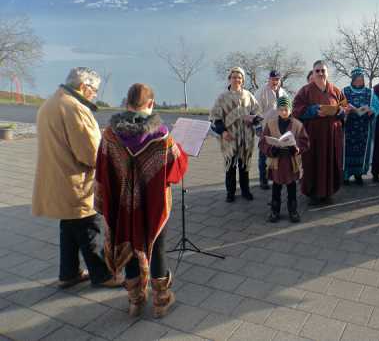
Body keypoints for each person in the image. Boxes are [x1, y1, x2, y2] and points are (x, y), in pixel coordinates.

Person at [94, 83, 188, 318]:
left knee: (128, 245)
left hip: (122, 206)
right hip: (153, 205)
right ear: (151, 104)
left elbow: (101, 170)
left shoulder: (110, 135)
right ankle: (161, 301)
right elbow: (176, 169)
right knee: (157, 248)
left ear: (127, 103)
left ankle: (135, 301)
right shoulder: (161, 135)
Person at [32, 67, 120, 289]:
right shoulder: (74, 108)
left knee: (69, 226)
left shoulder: (50, 103)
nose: (95, 95)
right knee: (90, 226)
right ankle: (103, 275)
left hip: (56, 178)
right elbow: (90, 154)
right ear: (83, 86)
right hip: (76, 182)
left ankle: (69, 273)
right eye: (94, 90)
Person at [292, 60, 345, 205]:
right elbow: (296, 110)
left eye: (323, 70)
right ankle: (313, 193)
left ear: (327, 73)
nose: (320, 73)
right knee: (312, 162)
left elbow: (345, 107)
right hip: (313, 136)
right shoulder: (305, 91)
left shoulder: (336, 90)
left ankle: (328, 192)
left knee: (330, 162)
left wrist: (339, 111)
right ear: (313, 73)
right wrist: (314, 110)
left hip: (332, 136)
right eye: (317, 71)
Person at [210, 67, 262, 202]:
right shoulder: (222, 97)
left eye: (239, 77)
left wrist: (254, 119)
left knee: (244, 165)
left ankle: (245, 191)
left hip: (246, 137)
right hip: (229, 137)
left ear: (243, 80)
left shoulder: (248, 95)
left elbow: (257, 112)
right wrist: (223, 131)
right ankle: (230, 192)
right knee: (230, 166)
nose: (236, 79)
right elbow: (215, 118)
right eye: (234, 77)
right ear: (229, 79)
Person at [259, 96, 310, 223]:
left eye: (286, 109)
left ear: (291, 109)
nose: (283, 112)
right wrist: (271, 150)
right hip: (276, 162)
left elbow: (305, 142)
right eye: (281, 109)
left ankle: (293, 210)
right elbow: (262, 143)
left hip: (291, 163)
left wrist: (297, 148)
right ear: (277, 110)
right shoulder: (270, 124)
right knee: (276, 187)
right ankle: (275, 211)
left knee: (291, 187)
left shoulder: (298, 125)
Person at [342, 67, 379, 185]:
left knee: (362, 152)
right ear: (352, 80)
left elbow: (378, 106)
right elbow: (339, 106)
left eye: (361, 79)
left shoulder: (370, 92)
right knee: (347, 151)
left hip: (364, 128)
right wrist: (346, 109)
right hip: (349, 128)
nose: (359, 81)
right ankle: (346, 175)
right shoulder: (345, 91)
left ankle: (358, 174)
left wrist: (372, 110)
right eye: (357, 79)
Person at [256, 70, 288, 190]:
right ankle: (263, 180)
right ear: (269, 79)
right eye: (273, 79)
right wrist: (258, 128)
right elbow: (255, 111)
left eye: (277, 79)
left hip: (279, 128)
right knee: (264, 155)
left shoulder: (283, 92)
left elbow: (287, 108)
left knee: (278, 154)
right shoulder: (261, 91)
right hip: (265, 128)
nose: (275, 81)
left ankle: (277, 177)